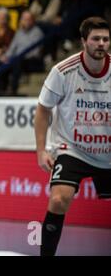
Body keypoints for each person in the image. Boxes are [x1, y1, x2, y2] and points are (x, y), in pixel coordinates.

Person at [34, 16, 111, 256]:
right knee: (58, 200)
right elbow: (43, 109)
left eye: (106, 39)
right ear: (83, 42)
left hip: (108, 151)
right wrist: (41, 150)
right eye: (96, 39)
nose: (101, 44)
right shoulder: (63, 71)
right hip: (73, 148)